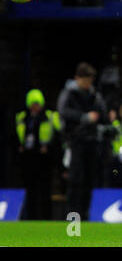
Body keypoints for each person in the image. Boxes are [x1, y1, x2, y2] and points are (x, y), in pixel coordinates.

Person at [57, 62, 109, 220]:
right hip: (76, 142)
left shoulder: (95, 96)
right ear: (77, 78)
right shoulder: (69, 93)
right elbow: (63, 111)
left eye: (90, 80)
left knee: (89, 179)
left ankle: (85, 215)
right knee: (75, 179)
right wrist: (83, 117)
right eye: (85, 80)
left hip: (92, 142)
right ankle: (72, 215)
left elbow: (103, 115)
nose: (88, 83)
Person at [15, 89, 55, 220]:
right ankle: (31, 218)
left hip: (44, 160)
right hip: (28, 158)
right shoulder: (22, 118)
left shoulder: (49, 116)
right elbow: (14, 135)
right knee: (30, 191)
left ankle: (47, 219)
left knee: (45, 191)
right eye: (33, 103)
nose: (35, 106)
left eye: (37, 103)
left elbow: (58, 137)